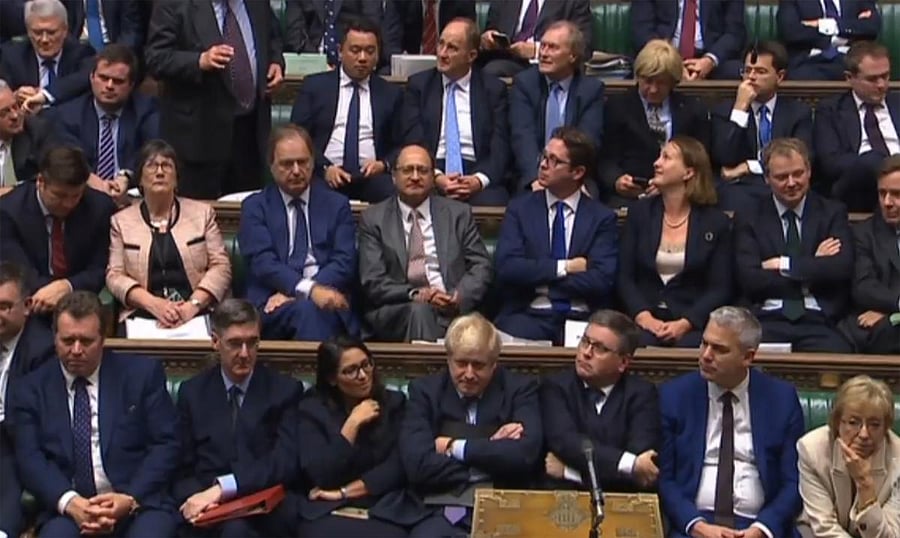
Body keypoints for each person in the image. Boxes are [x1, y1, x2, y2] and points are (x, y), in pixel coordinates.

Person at [12, 291, 181, 537]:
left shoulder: (141, 375)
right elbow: (30, 458)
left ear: (103, 338)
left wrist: (130, 498)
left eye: (86, 341)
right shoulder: (31, 389)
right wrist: (70, 502)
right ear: (54, 337)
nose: (76, 350)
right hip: (68, 509)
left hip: (137, 504)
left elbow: (167, 443)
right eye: (68, 341)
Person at [658, 306, 804, 538]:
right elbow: (665, 479)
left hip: (759, 525)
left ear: (748, 357)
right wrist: (697, 526)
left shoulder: (781, 399)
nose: (706, 355)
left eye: (719, 349)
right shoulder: (675, 396)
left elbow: (793, 481)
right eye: (704, 343)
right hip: (695, 525)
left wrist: (761, 529)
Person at [400, 313, 542, 538]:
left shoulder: (520, 389)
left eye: (478, 365)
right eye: (461, 363)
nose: (468, 374)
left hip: (504, 505)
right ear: (448, 359)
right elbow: (417, 466)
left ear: (494, 364)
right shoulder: (424, 391)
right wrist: (492, 447)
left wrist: (453, 447)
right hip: (443, 507)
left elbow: (525, 456)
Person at [174, 299, 302, 537]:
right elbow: (182, 466)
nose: (245, 354)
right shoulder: (192, 393)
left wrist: (224, 489)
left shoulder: (284, 390)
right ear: (215, 341)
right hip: (208, 509)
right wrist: (202, 500)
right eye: (235, 343)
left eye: (252, 343)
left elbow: (284, 463)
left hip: (266, 507)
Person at [145, 0, 285, 199]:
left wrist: (276, 62)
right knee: (196, 218)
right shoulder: (174, 4)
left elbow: (272, 38)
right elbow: (155, 58)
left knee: (246, 213)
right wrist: (199, 61)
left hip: (249, 134)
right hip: (198, 136)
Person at [494, 126, 618, 344]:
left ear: (577, 172)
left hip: (584, 318)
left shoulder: (601, 218)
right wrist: (565, 267)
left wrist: (540, 280)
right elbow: (508, 268)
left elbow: (601, 280)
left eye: (555, 161)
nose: (543, 165)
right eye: (544, 157)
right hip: (529, 315)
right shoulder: (520, 210)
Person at [359, 144, 491, 342]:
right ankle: (428, 372)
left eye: (422, 170)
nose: (415, 177)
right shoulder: (373, 218)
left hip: (452, 308)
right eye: (407, 170)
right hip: (399, 308)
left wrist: (458, 297)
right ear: (394, 177)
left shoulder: (458, 214)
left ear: (432, 178)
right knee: (420, 311)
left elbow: (481, 266)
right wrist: (418, 294)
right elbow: (373, 280)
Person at [238, 124, 358, 341]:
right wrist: (309, 290)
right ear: (271, 165)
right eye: (286, 164)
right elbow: (263, 263)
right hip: (270, 305)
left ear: (313, 163)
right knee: (308, 312)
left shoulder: (337, 205)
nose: (296, 170)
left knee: (312, 312)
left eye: (302, 162)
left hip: (329, 301)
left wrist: (302, 293)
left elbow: (344, 262)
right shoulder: (255, 207)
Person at [734, 137, 854, 352]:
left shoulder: (832, 212)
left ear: (809, 171)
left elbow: (840, 269)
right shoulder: (749, 216)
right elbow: (749, 279)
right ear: (766, 178)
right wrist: (814, 265)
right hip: (766, 318)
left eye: (798, 173)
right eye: (781, 177)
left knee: (840, 355)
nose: (791, 183)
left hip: (818, 318)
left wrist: (783, 264)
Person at [106, 140, 232, 332]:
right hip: (142, 313)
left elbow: (221, 266)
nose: (159, 172)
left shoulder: (202, 214)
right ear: (139, 179)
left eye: (166, 166)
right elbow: (115, 276)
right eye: (151, 166)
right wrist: (154, 304)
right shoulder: (121, 222)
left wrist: (193, 305)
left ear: (176, 178)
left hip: (197, 311)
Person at [618, 137, 732, 348]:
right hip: (644, 320)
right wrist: (644, 318)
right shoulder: (640, 214)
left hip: (691, 323)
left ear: (688, 172)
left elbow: (720, 287)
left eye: (666, 158)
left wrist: (685, 323)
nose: (656, 163)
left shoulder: (715, 222)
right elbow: (624, 277)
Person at [294, 337, 408, 537]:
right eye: (351, 370)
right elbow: (321, 474)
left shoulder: (395, 404)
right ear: (332, 379)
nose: (363, 375)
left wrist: (345, 491)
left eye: (366, 365)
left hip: (383, 506)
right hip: (328, 511)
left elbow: (398, 466)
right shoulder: (311, 410)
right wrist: (351, 425)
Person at [540, 309, 659, 493]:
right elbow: (566, 442)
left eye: (600, 348)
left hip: (622, 507)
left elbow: (640, 475)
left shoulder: (642, 394)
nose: (587, 353)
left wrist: (570, 472)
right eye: (585, 341)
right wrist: (628, 464)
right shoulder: (556, 387)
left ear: (623, 362)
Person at [290, 17, 401, 203]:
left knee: (398, 193)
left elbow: (405, 142)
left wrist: (384, 164)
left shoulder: (391, 94)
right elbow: (298, 135)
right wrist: (324, 167)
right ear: (340, 51)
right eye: (355, 50)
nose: (363, 58)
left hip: (373, 177)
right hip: (324, 174)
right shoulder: (315, 86)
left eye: (370, 51)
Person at [401, 17, 510, 205]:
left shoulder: (493, 90)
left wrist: (478, 180)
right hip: (430, 169)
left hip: (476, 168)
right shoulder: (419, 86)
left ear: (472, 55)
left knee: (496, 200)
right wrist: (436, 177)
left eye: (452, 48)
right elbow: (413, 138)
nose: (442, 53)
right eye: (441, 44)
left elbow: (500, 145)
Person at [0, 146, 116, 317]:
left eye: (75, 195)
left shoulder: (99, 207)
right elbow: (18, 270)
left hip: (85, 300)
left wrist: (67, 287)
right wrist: (50, 293)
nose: (68, 204)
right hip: (32, 302)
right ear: (40, 182)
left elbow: (100, 268)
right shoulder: (9, 211)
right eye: (60, 195)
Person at [598, 39, 709, 209]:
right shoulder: (617, 107)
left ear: (673, 82)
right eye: (648, 81)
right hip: (631, 196)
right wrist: (617, 180)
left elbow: (700, 159)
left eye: (661, 83)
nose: (653, 89)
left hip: (681, 193)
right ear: (638, 76)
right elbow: (606, 159)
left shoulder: (692, 110)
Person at [711, 41, 814, 211]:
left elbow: (803, 158)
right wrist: (740, 108)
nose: (751, 77)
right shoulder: (724, 110)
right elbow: (725, 157)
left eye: (760, 71)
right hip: (741, 187)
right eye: (747, 70)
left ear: (779, 76)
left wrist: (749, 166)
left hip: (784, 183)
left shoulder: (797, 113)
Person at [49, 44, 158, 203]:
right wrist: (93, 181)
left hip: (133, 198)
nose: (109, 86)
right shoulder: (69, 114)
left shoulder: (145, 110)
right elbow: (68, 157)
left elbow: (151, 150)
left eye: (118, 81)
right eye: (104, 78)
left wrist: (126, 177)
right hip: (82, 195)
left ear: (131, 85)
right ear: (92, 78)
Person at [797, 375, 900, 538]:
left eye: (874, 425)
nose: (864, 434)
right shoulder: (812, 449)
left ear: (886, 427)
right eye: (853, 422)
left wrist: (865, 484)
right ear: (837, 423)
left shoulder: (898, 457)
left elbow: (891, 535)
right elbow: (824, 527)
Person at [508, 20, 603, 195]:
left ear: (572, 56)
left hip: (574, 176)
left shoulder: (591, 90)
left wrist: (569, 180)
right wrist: (536, 178)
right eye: (543, 46)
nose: (543, 53)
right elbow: (522, 137)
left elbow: (588, 142)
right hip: (533, 174)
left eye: (553, 48)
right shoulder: (525, 83)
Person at [0, 261, 55, 538]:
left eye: (4, 306)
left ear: (27, 306)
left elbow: (30, 420)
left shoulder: (42, 349)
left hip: (19, 439)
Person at [814, 41, 899, 212]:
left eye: (886, 76)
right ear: (849, 78)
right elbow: (830, 163)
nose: (882, 85)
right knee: (871, 160)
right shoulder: (831, 110)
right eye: (872, 79)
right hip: (859, 187)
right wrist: (884, 166)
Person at [842, 155, 900, 354]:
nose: (887, 202)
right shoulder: (863, 234)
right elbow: (864, 287)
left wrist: (892, 313)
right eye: (882, 193)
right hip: (879, 330)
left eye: (896, 194)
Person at [0, 0, 94, 111]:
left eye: (51, 32)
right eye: (37, 32)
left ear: (65, 30)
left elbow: (84, 79)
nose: (44, 39)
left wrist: (45, 95)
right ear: (28, 31)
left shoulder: (83, 54)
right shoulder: (12, 55)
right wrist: (14, 97)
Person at [630, 0, 745, 80]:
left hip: (711, 59)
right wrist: (672, 63)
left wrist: (709, 60)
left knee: (742, 73)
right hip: (662, 57)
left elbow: (734, 33)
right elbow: (642, 31)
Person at [478, 0, 591, 78]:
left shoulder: (573, 2)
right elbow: (491, 28)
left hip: (550, 65)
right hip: (507, 60)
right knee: (488, 71)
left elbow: (584, 46)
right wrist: (488, 39)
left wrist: (537, 51)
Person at [777, 0, 881, 81]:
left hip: (851, 60)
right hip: (809, 62)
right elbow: (791, 32)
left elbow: (871, 27)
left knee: (869, 76)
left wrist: (824, 24)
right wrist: (843, 35)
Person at [283, 0, 382, 62]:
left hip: (353, 60)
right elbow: (295, 33)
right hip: (310, 60)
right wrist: (318, 63)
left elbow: (372, 26)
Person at [0, 77, 54, 190]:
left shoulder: (37, 131)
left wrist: (11, 191)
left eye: (16, 106)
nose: (15, 116)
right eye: (4, 113)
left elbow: (51, 178)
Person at [383, 0, 476, 60]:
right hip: (409, 62)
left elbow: (468, 42)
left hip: (449, 61)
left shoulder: (462, 2)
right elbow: (391, 42)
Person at [60, 0, 143, 53]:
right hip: (77, 46)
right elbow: (59, 25)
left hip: (113, 48)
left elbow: (131, 31)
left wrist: (117, 55)